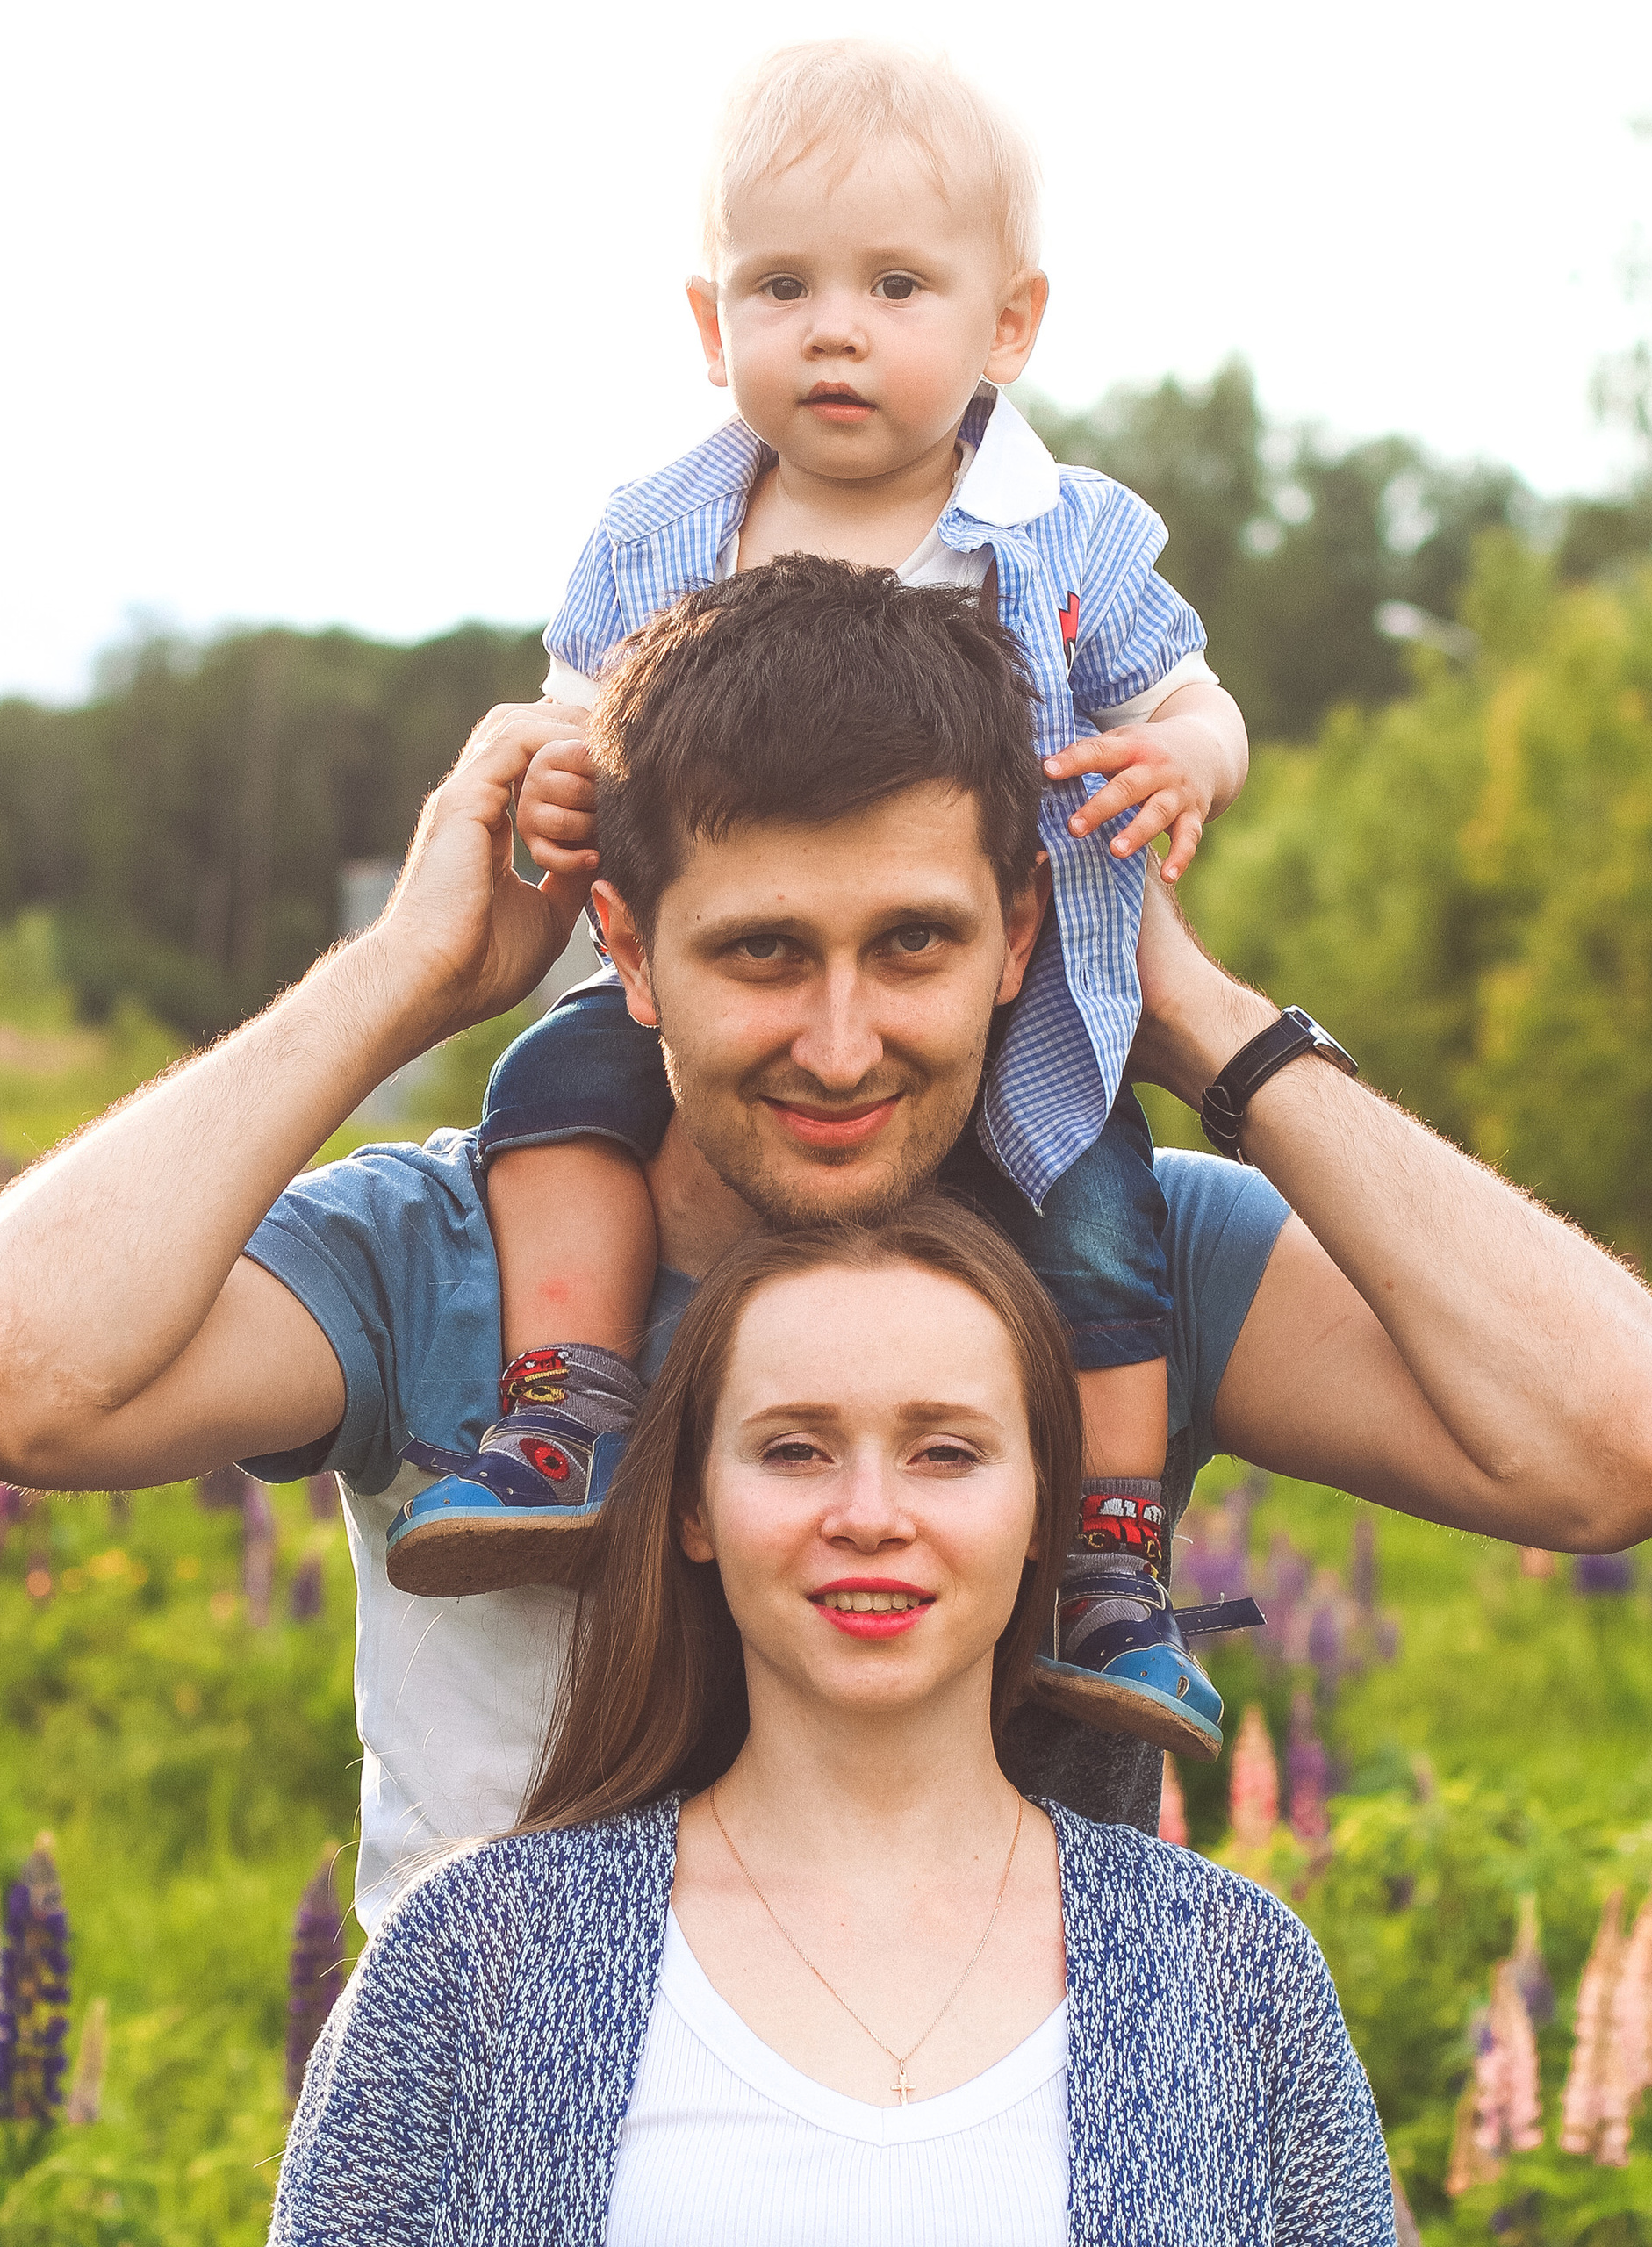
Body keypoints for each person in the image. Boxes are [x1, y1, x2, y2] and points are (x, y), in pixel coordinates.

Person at [0, 559, 1652, 1934]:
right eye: (764, 950)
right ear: (624, 935)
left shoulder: (1118, 1273)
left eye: (913, 946)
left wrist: (1198, 1022)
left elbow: (1616, 1444)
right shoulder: (444, 1244)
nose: (841, 1042)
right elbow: (3, 1374)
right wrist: (404, 982)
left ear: (1017, 935)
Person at [420, 41, 1255, 1767]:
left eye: (893, 285)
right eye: (779, 285)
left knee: (1103, 1232)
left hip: (1011, 1008)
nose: (834, 328)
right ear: (709, 326)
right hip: (697, 992)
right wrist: (567, 774)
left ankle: (1108, 1569)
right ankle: (562, 1409)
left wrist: (1185, 768)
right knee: (543, 1094)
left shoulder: (1060, 531)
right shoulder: (659, 528)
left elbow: (1195, 699)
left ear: (1005, 327)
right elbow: (578, 703)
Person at [270, 1199, 1398, 2245]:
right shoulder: (470, 1963)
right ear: (695, 1507)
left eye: (946, 1452)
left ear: (1044, 1511)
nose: (869, 1515)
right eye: (794, 1448)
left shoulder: (1237, 1980)